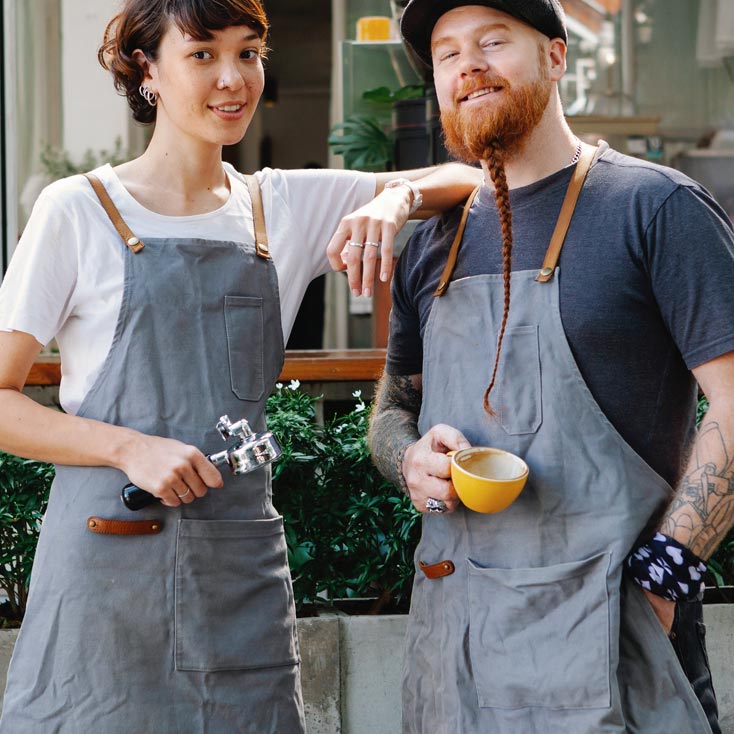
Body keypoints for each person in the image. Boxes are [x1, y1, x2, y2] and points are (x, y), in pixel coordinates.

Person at [0, 1, 482, 731]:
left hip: (238, 577)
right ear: (146, 70)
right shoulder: (78, 210)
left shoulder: (278, 206)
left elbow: (466, 178)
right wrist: (127, 447)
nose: (233, 78)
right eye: (202, 55)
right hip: (105, 573)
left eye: (248, 53)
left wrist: (395, 201)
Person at [368, 1, 734, 732]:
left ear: (556, 57)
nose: (468, 63)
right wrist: (406, 456)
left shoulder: (655, 207)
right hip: (455, 656)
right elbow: (389, 411)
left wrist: (664, 579)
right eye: (446, 53)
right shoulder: (429, 248)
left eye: (493, 40)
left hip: (607, 645)